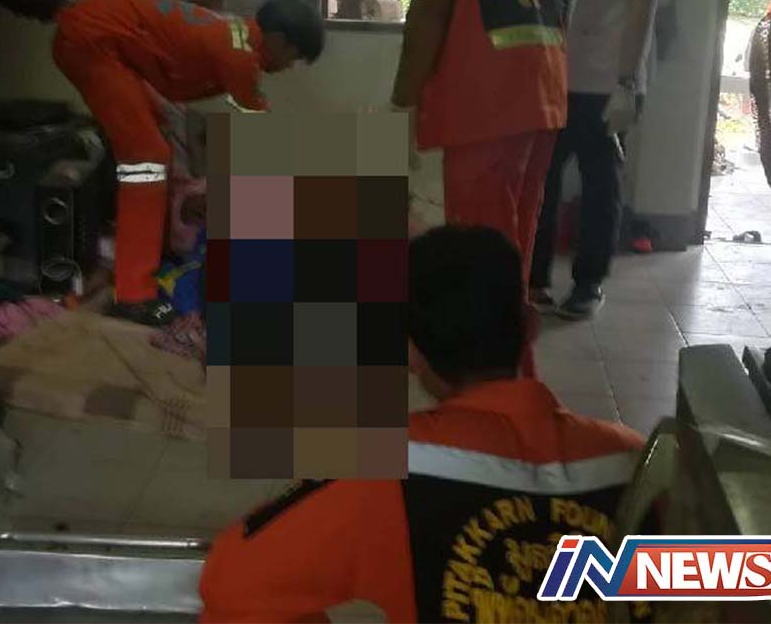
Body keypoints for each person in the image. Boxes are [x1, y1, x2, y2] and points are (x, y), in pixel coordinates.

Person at [198, 225, 648, 623]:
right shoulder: (636, 460)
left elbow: (233, 581)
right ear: (529, 326)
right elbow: (687, 587)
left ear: (411, 351)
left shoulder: (389, 468)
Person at [378, 0, 566, 372]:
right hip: (541, 88)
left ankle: (495, 398)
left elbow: (430, 3)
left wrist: (402, 102)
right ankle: (519, 379)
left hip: (485, 102)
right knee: (512, 254)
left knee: (480, 263)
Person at [53, 0, 323, 325]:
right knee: (147, 158)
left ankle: (145, 259)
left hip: (104, 41)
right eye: (294, 56)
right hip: (93, 39)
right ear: (279, 40)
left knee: (157, 138)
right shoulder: (240, 57)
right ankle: (133, 295)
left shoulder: (236, 34)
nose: (290, 66)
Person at [530, 0, 668, 320]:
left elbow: (642, 5)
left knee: (599, 184)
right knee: (542, 177)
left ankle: (588, 284)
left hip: (610, 79)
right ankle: (535, 278)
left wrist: (627, 84)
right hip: (561, 74)